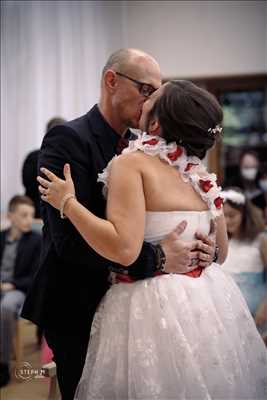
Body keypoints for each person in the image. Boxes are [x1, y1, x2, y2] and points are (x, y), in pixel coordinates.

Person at [38, 80, 267, 399]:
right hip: (206, 303)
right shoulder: (198, 172)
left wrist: (68, 203)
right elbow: (221, 251)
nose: (145, 99)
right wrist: (206, 252)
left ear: (156, 122)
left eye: (152, 97)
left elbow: (124, 249)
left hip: (148, 305)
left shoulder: (132, 163)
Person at [21, 49, 217, 400]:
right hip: (78, 303)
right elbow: (66, 240)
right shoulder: (67, 140)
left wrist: (206, 247)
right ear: (111, 81)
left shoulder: (146, 148)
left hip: (142, 310)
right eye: (145, 89)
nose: (150, 101)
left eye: (156, 93)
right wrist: (156, 259)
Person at [0, 195, 41, 387]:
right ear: (11, 216)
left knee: (6, 307)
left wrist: (13, 284)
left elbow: (34, 277)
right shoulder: (1, 238)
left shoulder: (36, 241)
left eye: (31, 216)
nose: (29, 220)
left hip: (18, 290)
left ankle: (3, 365)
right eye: (24, 215)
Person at [221, 187, 267, 332]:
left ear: (244, 214)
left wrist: (265, 307)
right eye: (223, 217)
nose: (227, 221)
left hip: (256, 310)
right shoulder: (221, 243)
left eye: (232, 215)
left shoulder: (260, 240)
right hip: (227, 312)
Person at [21, 116, 66, 218]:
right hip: (36, 212)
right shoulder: (33, 157)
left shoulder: (70, 159)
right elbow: (28, 185)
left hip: (58, 212)